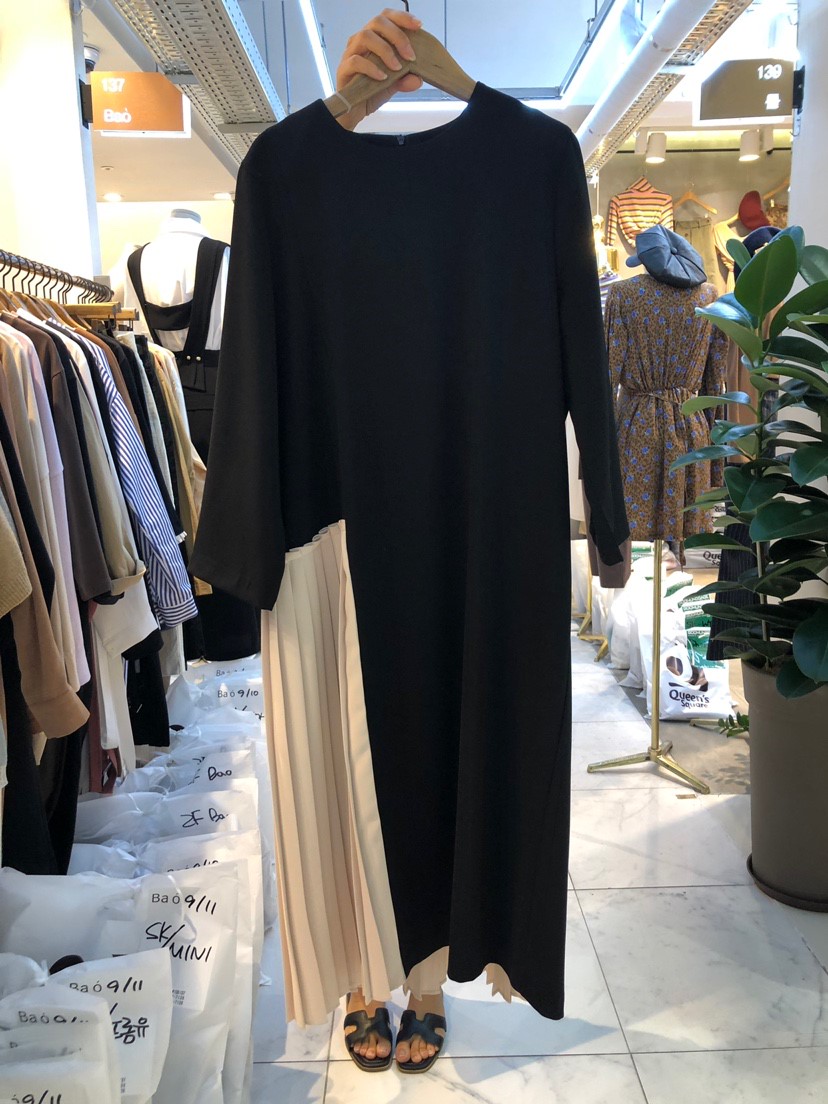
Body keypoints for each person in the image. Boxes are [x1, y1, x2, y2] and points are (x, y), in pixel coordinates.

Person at [333, 7, 446, 1072]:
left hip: (451, 504)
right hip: (329, 515)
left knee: (431, 744)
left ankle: (425, 980)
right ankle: (363, 979)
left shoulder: (494, 183)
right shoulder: (295, 184)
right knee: (346, 754)